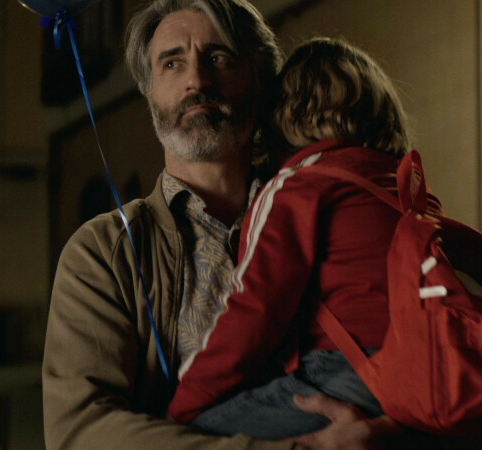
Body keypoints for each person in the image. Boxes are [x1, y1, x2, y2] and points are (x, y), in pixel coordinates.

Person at [43, 1, 400, 449]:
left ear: (258, 80)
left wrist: (393, 432)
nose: (197, 80)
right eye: (172, 63)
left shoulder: (332, 211)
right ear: (149, 93)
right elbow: (79, 432)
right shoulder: (104, 252)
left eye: (218, 58)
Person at [167, 37, 442, 439]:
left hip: (351, 371)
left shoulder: (299, 184)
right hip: (434, 370)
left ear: (284, 114)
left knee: (184, 440)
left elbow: (255, 311)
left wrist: (181, 408)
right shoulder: (406, 188)